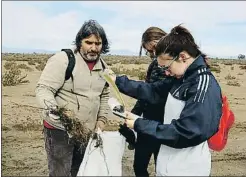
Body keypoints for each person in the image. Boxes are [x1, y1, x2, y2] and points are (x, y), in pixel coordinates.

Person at [109, 25, 222, 176]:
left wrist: (140, 124)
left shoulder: (202, 85)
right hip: (168, 165)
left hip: (187, 169)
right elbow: (153, 90)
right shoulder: (181, 78)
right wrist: (117, 80)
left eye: (167, 67)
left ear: (182, 57)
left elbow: (186, 131)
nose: (166, 73)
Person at [35, 19, 110, 177]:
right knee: (60, 172)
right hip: (59, 130)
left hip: (86, 131)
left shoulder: (104, 68)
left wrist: (101, 120)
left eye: (98, 43)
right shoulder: (63, 60)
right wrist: (55, 111)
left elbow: (104, 96)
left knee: (80, 171)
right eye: (88, 42)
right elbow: (44, 89)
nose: (93, 48)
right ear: (79, 42)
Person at [119, 27, 169, 177]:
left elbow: (154, 93)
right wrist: (133, 115)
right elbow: (146, 94)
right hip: (146, 124)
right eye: (149, 51)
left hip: (165, 126)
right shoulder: (154, 65)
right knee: (139, 166)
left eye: (153, 49)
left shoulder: (176, 67)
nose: (152, 54)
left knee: (163, 168)